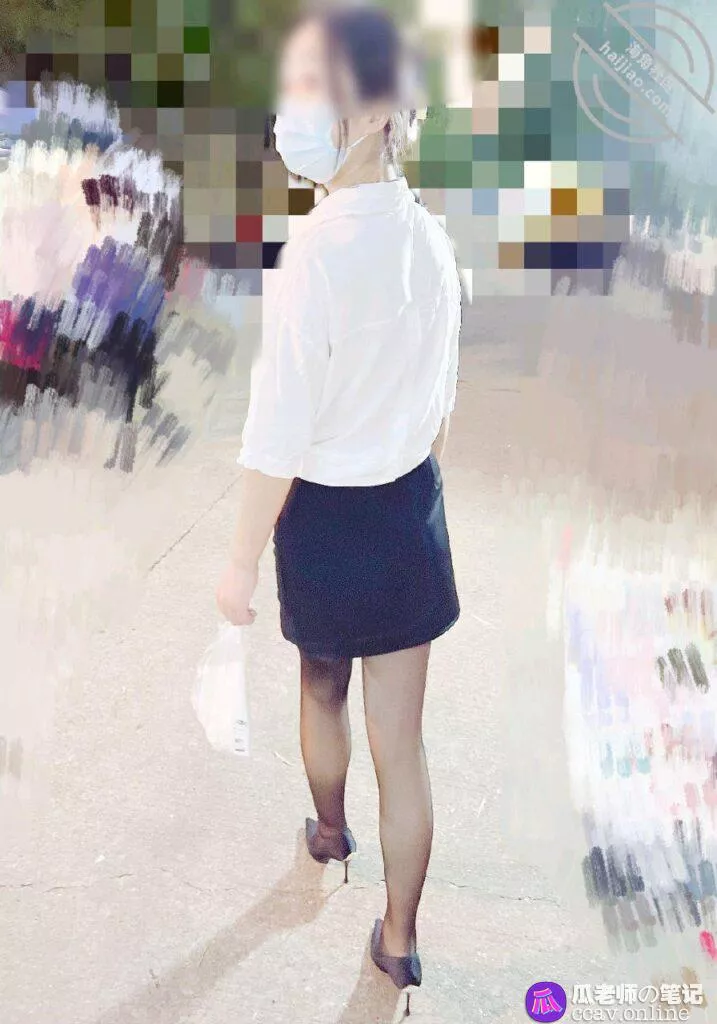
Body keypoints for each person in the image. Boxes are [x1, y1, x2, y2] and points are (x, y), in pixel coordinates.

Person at [216, 4, 462, 1012]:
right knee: (404, 745)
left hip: (322, 521)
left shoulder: (312, 257)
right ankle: (398, 942)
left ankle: (328, 831)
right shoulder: (433, 245)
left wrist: (239, 560)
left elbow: (276, 439)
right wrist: (410, 488)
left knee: (322, 695)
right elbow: (439, 410)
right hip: (406, 514)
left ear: (364, 115)